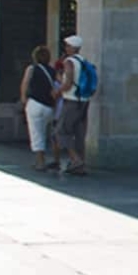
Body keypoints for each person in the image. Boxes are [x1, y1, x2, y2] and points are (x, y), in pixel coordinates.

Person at [54, 34, 91, 176]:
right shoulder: (83, 61)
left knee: (61, 131)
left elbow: (68, 82)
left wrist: (57, 91)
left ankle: (76, 160)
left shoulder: (69, 61)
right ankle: (81, 165)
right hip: (84, 101)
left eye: (67, 45)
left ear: (71, 47)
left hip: (71, 101)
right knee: (79, 134)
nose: (66, 48)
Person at [17, 45, 58, 171]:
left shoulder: (31, 69)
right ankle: (56, 159)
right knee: (51, 133)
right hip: (49, 105)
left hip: (34, 103)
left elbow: (25, 83)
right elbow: (59, 85)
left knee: (36, 132)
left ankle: (40, 161)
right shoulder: (53, 71)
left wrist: (23, 98)